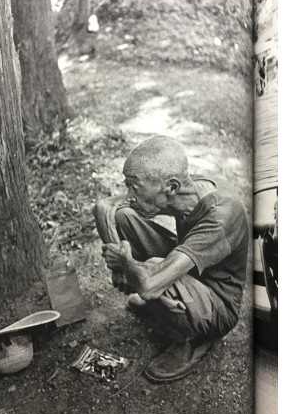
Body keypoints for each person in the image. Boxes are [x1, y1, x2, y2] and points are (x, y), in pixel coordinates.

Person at [93, 136, 249, 383]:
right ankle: (166, 302)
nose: (128, 194)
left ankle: (192, 338)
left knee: (153, 272)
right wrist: (119, 270)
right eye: (128, 185)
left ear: (172, 187)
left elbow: (147, 284)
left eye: (134, 186)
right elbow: (104, 207)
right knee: (124, 216)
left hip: (217, 306)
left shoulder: (221, 215)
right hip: (189, 273)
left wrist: (126, 264)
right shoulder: (180, 191)